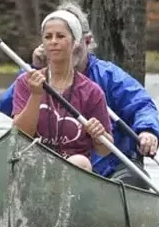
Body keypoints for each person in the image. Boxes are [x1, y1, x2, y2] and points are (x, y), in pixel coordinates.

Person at [0, 1, 159, 187]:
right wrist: (33, 68)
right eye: (50, 37)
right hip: (43, 164)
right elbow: (8, 106)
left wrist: (148, 130)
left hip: (107, 166)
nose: (56, 43)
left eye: (62, 36)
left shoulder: (105, 78)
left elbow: (141, 104)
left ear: (85, 41)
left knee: (131, 176)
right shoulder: (32, 77)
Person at [12, 9, 113, 171]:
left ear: (75, 42)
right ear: (42, 43)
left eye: (60, 36)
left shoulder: (92, 91)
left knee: (81, 162)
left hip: (74, 168)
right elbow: (19, 135)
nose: (53, 41)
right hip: (33, 164)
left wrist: (99, 135)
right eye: (48, 37)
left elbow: (105, 150)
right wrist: (36, 96)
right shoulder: (26, 82)